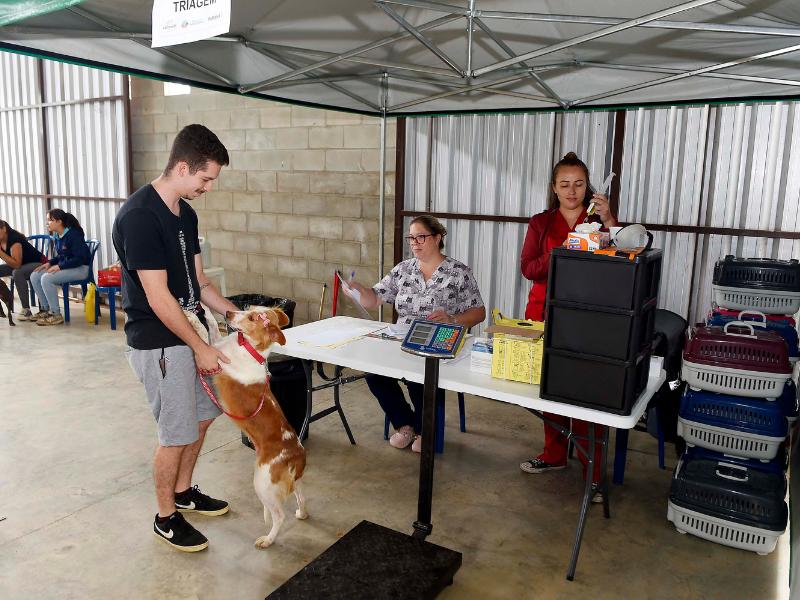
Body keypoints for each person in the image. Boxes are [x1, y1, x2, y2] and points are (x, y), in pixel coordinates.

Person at [113, 124, 239, 553]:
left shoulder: (186, 213)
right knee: (176, 432)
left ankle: (185, 492)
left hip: (190, 333)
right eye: (205, 179)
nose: (207, 188)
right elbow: (158, 296)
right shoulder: (139, 217)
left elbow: (198, 282)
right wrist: (201, 347)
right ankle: (166, 517)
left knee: (201, 419)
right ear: (183, 166)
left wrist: (233, 312)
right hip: (159, 341)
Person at [518, 152, 617, 504]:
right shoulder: (541, 223)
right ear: (554, 188)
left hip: (587, 316)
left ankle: (593, 468)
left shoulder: (601, 222)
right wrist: (562, 250)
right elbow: (529, 268)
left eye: (578, 184)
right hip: (543, 311)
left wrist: (609, 221)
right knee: (550, 385)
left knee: (589, 390)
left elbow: (622, 261)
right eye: (564, 185)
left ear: (587, 187)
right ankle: (554, 453)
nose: (572, 191)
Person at [349, 215, 486, 452]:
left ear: (438, 237)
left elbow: (479, 312)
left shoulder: (458, 272)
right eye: (411, 238)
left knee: (419, 376)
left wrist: (453, 319)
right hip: (403, 337)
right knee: (374, 374)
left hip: (440, 339)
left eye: (421, 237)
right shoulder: (404, 269)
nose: (414, 243)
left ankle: (427, 430)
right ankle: (405, 424)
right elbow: (374, 299)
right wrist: (359, 289)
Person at [29, 209, 91, 326]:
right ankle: (45, 309)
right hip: (68, 267)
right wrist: (50, 263)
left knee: (47, 278)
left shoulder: (74, 235)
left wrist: (60, 266)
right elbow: (62, 255)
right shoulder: (58, 235)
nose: (47, 223)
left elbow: (80, 258)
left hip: (81, 269)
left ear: (59, 222)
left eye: (50, 220)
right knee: (35, 276)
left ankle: (56, 315)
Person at [0, 219, 48, 320]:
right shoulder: (1, 240)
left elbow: (17, 264)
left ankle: (26, 310)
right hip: (22, 264)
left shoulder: (14, 240)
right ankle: (7, 296)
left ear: (4, 229)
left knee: (17, 272)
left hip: (40, 264)